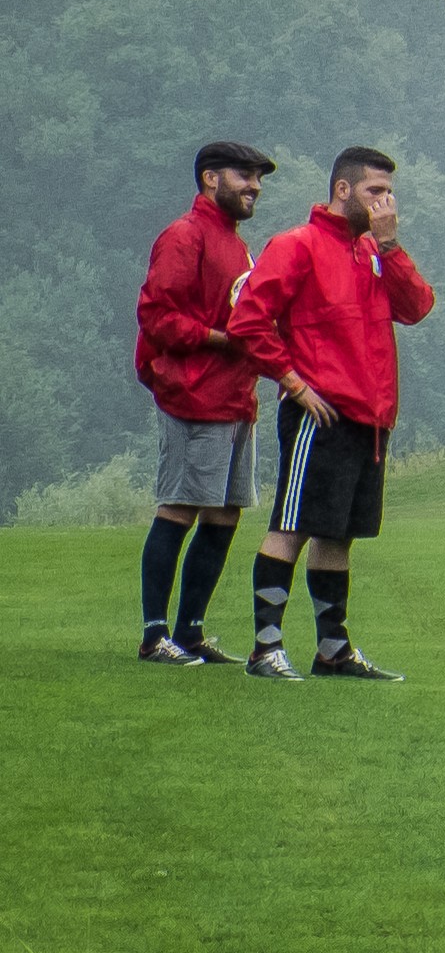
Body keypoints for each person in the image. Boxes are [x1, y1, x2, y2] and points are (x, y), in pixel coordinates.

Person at [223, 146, 435, 678]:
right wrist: (293, 383)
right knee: (291, 524)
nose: (385, 203)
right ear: (343, 190)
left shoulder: (373, 251)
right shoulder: (297, 245)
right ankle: (266, 648)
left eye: (389, 193)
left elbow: (417, 307)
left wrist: (391, 245)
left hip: (371, 416)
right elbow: (248, 321)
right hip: (319, 414)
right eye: (374, 191)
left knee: (338, 534)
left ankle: (332, 650)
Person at [131, 140, 275, 663]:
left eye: (258, 177)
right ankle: (155, 636)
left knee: (225, 514)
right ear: (211, 178)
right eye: (244, 175)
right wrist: (221, 340)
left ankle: (190, 632)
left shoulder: (236, 244)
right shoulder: (184, 236)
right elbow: (158, 317)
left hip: (236, 396)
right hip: (193, 392)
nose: (254, 186)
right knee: (180, 507)